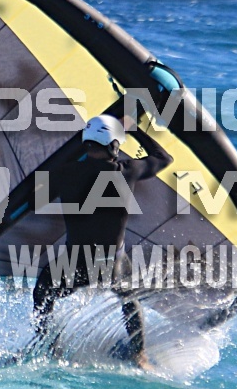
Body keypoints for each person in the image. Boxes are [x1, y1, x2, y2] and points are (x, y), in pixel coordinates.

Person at [31, 113, 171, 365]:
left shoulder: (64, 173)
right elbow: (164, 158)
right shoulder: (126, 171)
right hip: (113, 263)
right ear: (114, 145)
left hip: (75, 263)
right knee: (129, 298)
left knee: (43, 292)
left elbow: (34, 199)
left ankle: (50, 348)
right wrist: (134, 129)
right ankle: (140, 355)